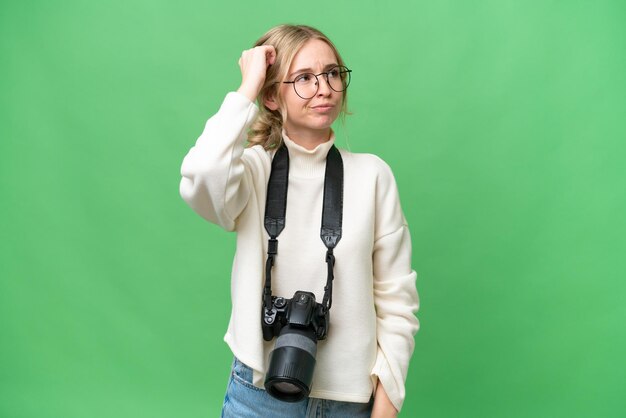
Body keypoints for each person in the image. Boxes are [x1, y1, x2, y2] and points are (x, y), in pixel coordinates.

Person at [179, 24, 420, 418]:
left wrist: (386, 407)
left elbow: (398, 303)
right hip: (257, 396)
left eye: (331, 74)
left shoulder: (374, 176)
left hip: (350, 403)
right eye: (304, 78)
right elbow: (201, 175)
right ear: (272, 96)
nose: (323, 88)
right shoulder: (252, 172)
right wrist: (249, 87)